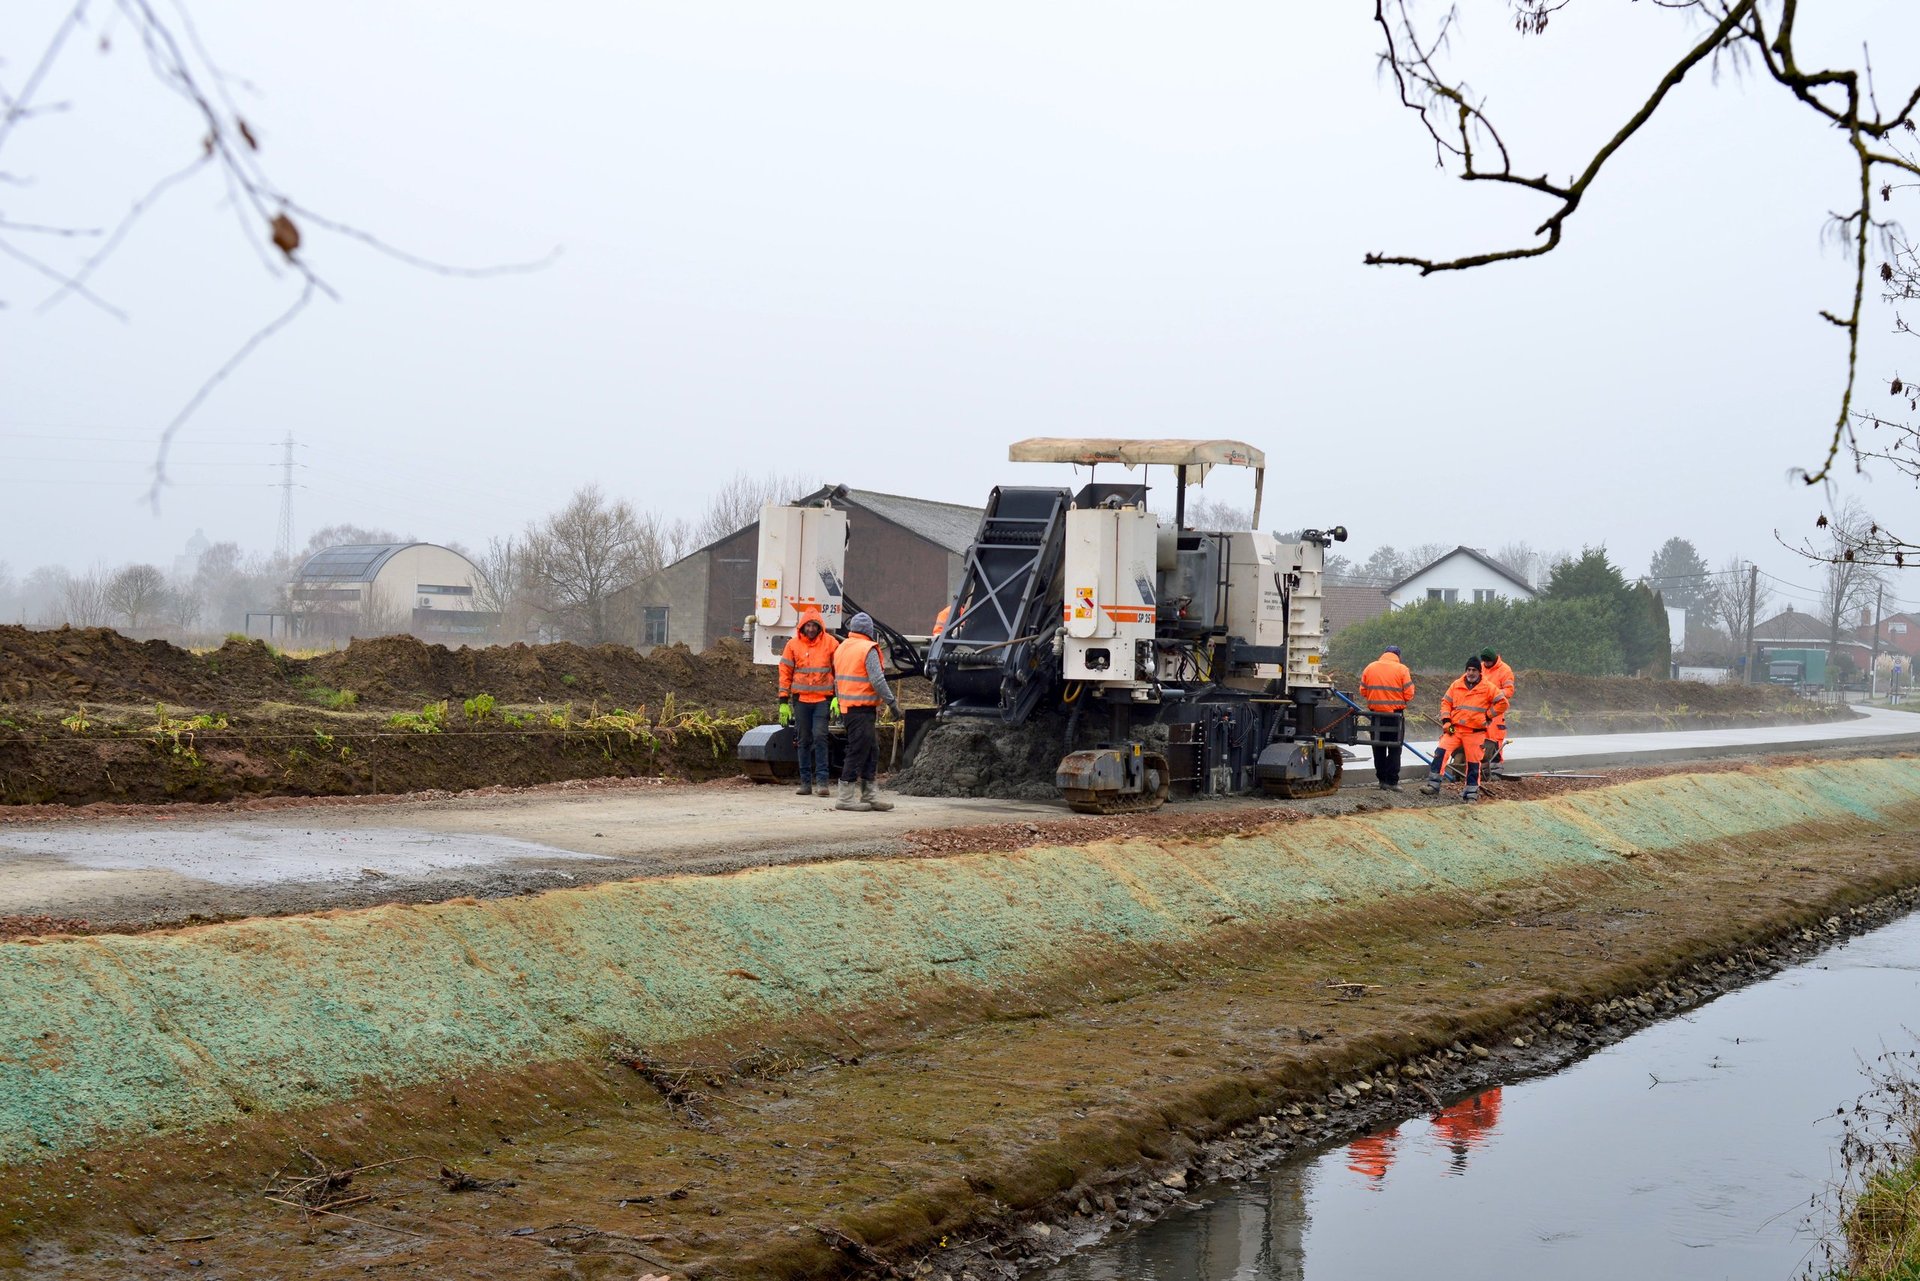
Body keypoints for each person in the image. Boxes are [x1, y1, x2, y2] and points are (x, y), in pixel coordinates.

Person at [832, 612, 903, 812]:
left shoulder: (842, 647)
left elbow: (838, 680)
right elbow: (878, 680)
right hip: (861, 709)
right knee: (858, 750)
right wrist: (892, 703)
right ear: (869, 631)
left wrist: (840, 703)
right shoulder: (868, 649)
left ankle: (869, 795)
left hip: (850, 708)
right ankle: (845, 798)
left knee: (871, 750)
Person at [1420, 654, 1508, 802]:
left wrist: (1488, 715)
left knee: (1473, 764)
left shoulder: (1488, 688)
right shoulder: (1456, 685)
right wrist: (1447, 722)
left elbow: (1503, 703)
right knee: (1440, 752)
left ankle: (1471, 793)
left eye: (1474, 670)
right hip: (1455, 730)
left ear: (1479, 672)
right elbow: (1445, 703)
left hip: (1475, 733)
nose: (1470, 673)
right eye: (1468, 669)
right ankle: (1433, 785)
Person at [777, 606, 838, 797]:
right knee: (803, 740)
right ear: (802, 626)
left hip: (822, 700)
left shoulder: (831, 643)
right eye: (808, 625)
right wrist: (783, 701)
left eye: (814, 625)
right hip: (801, 700)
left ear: (820, 626)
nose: (811, 629)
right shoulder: (793, 645)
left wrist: (837, 697)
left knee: (820, 737)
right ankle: (805, 783)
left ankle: (822, 782)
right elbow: (785, 673)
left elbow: (839, 671)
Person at [1358, 644, 1416, 790]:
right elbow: (1409, 694)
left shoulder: (1370, 667)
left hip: (1375, 715)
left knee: (1378, 748)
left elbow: (1363, 691)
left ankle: (1382, 781)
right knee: (1395, 748)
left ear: (1384, 653)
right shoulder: (1402, 669)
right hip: (1395, 716)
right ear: (1398, 656)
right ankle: (1392, 781)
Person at [1478, 647, 1515, 765]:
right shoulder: (1480, 667)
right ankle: (1478, 764)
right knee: (1478, 738)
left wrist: (1495, 694)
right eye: (1484, 662)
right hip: (1480, 708)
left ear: (1494, 660)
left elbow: (1509, 691)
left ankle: (1495, 768)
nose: (1486, 664)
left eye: (1488, 662)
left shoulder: (1505, 670)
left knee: (1494, 740)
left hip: (1496, 711)